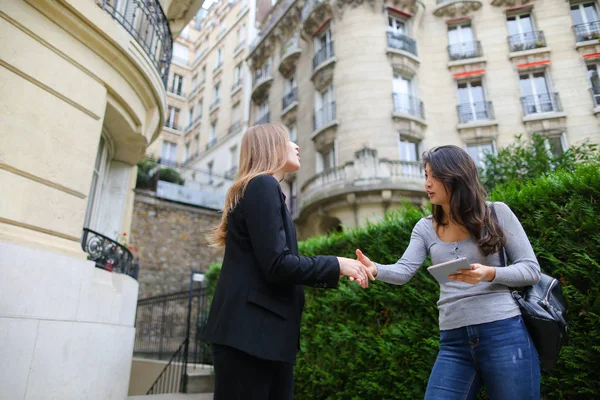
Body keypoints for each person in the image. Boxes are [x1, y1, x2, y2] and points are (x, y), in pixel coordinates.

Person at [202, 123, 373, 400]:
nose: (296, 146)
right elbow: (278, 264)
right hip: (251, 338)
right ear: (271, 146)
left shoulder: (262, 188)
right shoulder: (262, 184)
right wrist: (336, 265)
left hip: (260, 337)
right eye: (288, 140)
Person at [356, 145, 541, 399]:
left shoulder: (496, 213)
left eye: (434, 176)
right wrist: (375, 268)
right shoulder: (424, 228)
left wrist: (488, 273)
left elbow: (531, 270)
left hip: (504, 332)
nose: (427, 183)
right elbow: (404, 270)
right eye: (425, 176)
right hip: (453, 341)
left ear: (456, 176)